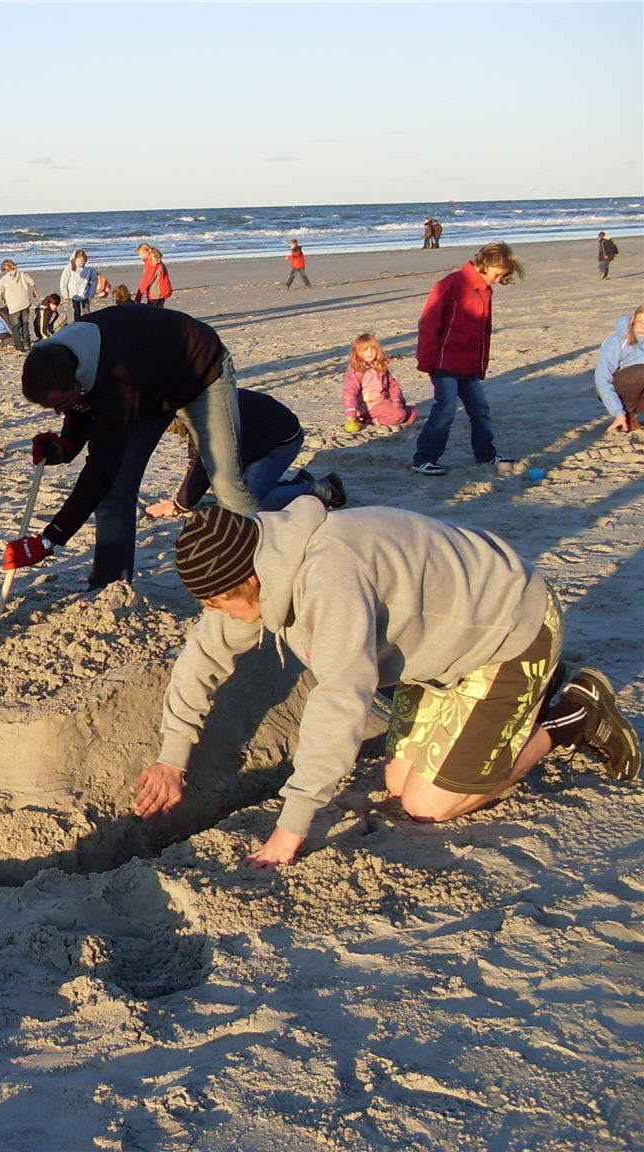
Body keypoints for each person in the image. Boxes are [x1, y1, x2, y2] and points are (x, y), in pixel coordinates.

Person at [132, 504, 640, 869]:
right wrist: (173, 757)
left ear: (252, 581)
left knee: (427, 805)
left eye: (217, 603)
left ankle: (572, 715)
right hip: (438, 655)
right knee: (398, 783)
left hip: (507, 632)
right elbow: (201, 658)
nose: (216, 615)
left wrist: (290, 830)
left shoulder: (330, 579)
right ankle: (523, 703)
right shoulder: (259, 558)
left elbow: (340, 700)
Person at [4, 305, 259, 588]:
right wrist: (65, 446)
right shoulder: (60, 357)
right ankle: (110, 586)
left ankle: (264, 564)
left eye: (60, 405)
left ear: (77, 379)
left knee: (225, 480)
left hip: (201, 372)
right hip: (150, 387)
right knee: (115, 493)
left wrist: (49, 539)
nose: (57, 412)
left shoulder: (116, 377)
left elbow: (101, 467)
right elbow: (83, 404)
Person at [410, 241, 523, 475]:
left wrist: (481, 364)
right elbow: (428, 322)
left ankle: (486, 454)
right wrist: (426, 359)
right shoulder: (451, 283)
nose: (497, 280)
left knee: (479, 407)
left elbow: (484, 332)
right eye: (497, 274)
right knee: (446, 407)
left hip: (468, 362)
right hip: (443, 360)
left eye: (502, 276)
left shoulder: (485, 290)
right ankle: (424, 458)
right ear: (486, 264)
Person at [145, 389, 345, 518]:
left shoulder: (204, 417)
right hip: (259, 441)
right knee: (234, 492)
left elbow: (202, 465)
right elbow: (199, 459)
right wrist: (184, 501)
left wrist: (180, 505)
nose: (163, 429)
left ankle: (321, 489)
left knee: (249, 504)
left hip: (280, 442)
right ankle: (297, 485)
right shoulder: (197, 406)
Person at [342, 333, 418, 427]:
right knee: (399, 414)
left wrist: (396, 399)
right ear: (357, 352)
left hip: (384, 401)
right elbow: (349, 391)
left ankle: (391, 415)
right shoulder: (356, 371)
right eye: (365, 350)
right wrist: (350, 411)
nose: (370, 352)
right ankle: (369, 421)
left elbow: (393, 385)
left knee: (413, 413)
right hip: (368, 406)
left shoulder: (380, 367)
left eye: (373, 349)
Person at [593, 303, 644, 432]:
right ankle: (626, 416)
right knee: (641, 371)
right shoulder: (617, 340)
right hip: (619, 390)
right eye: (639, 322)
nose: (642, 327)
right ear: (633, 320)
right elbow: (602, 380)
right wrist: (618, 413)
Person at [0, 259, 38, 352]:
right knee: (25, 324)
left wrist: (2, 299)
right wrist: (34, 291)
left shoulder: (4, 280)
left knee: (15, 327)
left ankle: (19, 346)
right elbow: (32, 282)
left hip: (14, 306)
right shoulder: (22, 274)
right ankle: (27, 344)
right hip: (25, 302)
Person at [60, 249, 96, 320]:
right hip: (74, 293)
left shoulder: (89, 266)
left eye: (82, 260)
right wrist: (65, 294)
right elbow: (64, 280)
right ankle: (77, 324)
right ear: (76, 259)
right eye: (79, 260)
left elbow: (94, 280)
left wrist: (92, 293)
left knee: (86, 312)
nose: (81, 262)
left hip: (85, 292)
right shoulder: (70, 266)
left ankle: (87, 324)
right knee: (77, 312)